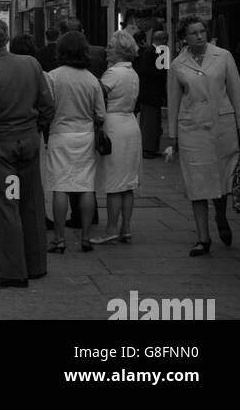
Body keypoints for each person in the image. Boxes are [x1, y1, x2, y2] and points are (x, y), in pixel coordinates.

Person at [0, 18, 53, 287]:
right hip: (28, 141)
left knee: (7, 206)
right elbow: (48, 104)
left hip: (0, 149)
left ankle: (14, 272)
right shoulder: (30, 64)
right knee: (32, 201)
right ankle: (37, 264)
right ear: (6, 38)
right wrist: (35, 128)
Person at [167, 14, 240, 256]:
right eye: (194, 33)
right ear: (184, 38)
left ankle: (221, 217)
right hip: (192, 130)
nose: (200, 36)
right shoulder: (177, 65)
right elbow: (173, 101)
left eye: (202, 31)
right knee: (197, 184)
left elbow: (236, 91)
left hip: (222, 127)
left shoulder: (223, 56)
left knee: (222, 180)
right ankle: (203, 238)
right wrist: (174, 135)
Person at [44, 30, 106, 254]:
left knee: (60, 186)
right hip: (85, 136)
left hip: (60, 134)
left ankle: (59, 240)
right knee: (86, 186)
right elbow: (101, 114)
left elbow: (46, 108)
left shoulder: (52, 77)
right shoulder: (91, 80)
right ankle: (86, 238)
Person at [95, 30, 142, 243]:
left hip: (114, 125)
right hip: (131, 124)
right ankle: (126, 228)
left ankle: (111, 229)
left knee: (114, 182)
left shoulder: (113, 73)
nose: (107, 50)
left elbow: (96, 95)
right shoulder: (132, 73)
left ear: (121, 51)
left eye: (111, 47)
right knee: (128, 182)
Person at [135, 28, 168, 157]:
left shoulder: (153, 52)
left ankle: (151, 147)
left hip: (151, 93)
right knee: (150, 122)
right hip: (151, 94)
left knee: (153, 121)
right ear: (164, 40)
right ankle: (148, 148)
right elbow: (156, 74)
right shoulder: (153, 52)